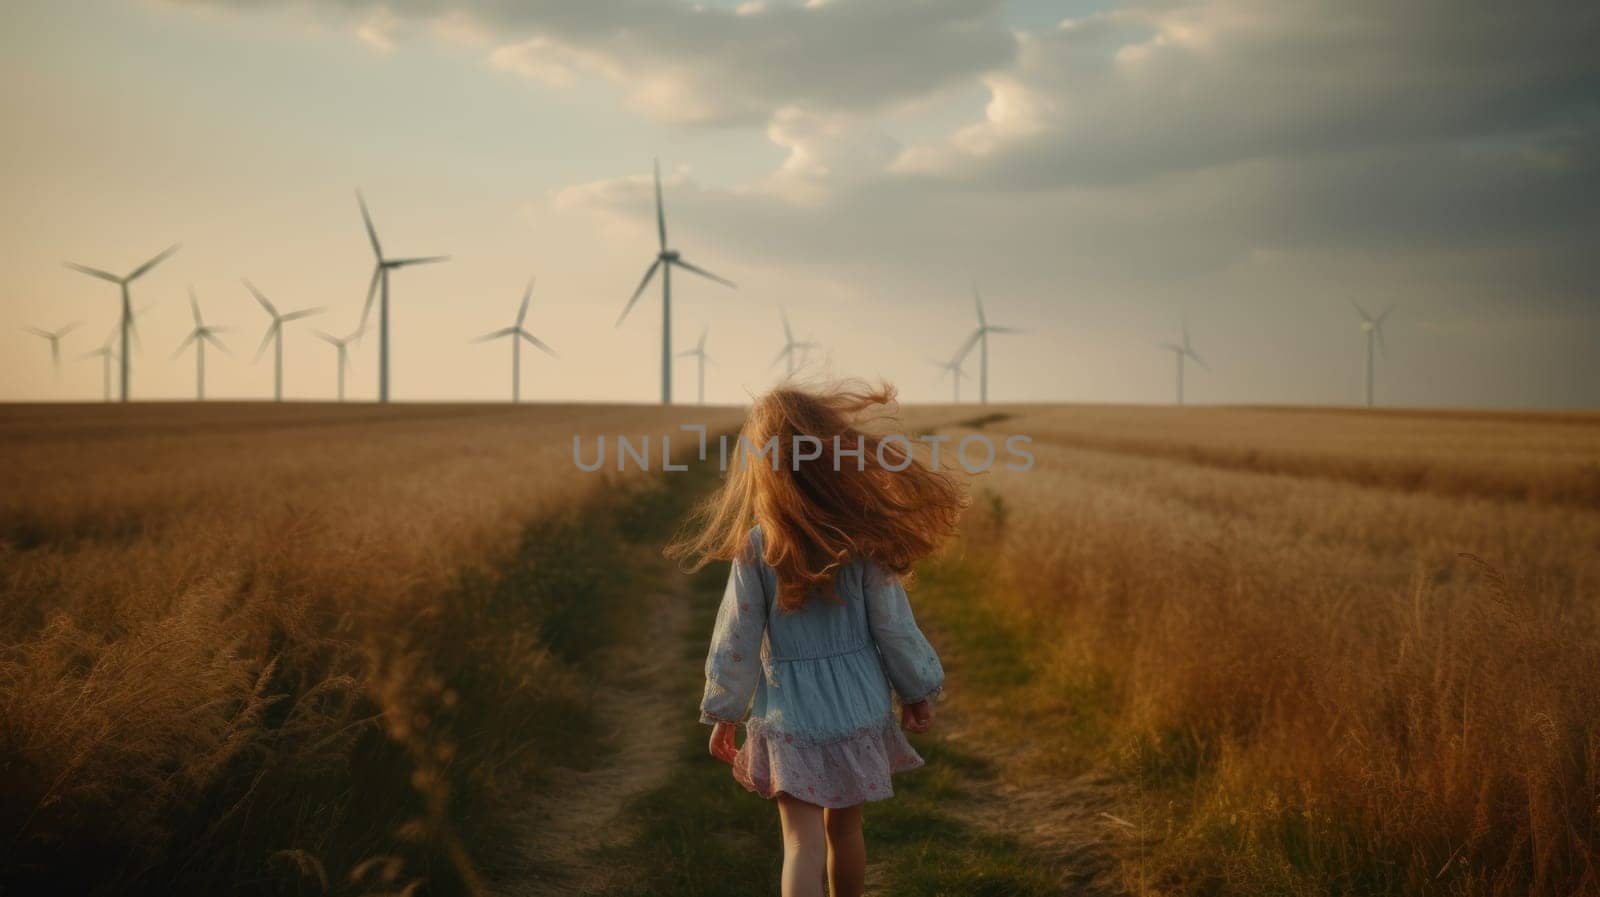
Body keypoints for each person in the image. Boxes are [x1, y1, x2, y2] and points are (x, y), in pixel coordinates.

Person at [668, 380, 966, 897]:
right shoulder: (863, 540)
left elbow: (737, 633)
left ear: (765, 466)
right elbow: (893, 626)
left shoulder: (759, 545)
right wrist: (917, 690)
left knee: (800, 844)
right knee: (845, 831)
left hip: (789, 710)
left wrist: (724, 711)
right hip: (855, 705)